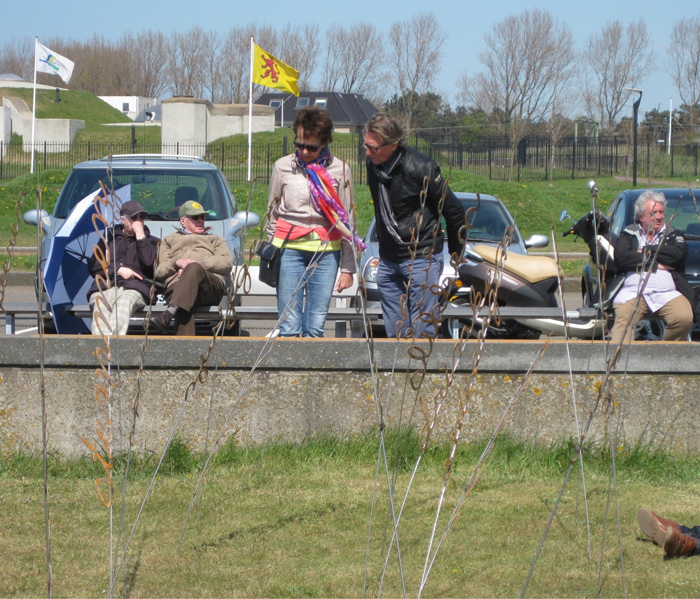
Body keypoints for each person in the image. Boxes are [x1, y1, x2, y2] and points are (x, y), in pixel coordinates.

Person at [364, 112, 466, 338]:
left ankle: (422, 371)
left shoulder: (421, 167)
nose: (368, 153)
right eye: (366, 147)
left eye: (374, 148)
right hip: (389, 257)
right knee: (397, 331)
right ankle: (399, 370)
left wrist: (457, 252)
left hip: (421, 256)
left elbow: (454, 210)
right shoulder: (373, 165)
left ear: (394, 144)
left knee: (422, 329)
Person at [265, 106, 359, 337]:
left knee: (315, 325)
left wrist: (348, 268)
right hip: (289, 248)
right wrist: (270, 251)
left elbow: (348, 219)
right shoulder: (282, 166)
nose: (304, 151)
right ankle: (288, 372)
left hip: (327, 251)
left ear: (326, 143)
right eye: (299, 144)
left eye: (312, 147)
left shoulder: (341, 170)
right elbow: (272, 212)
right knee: (288, 323)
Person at [610, 190, 695, 342]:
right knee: (624, 318)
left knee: (684, 318)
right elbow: (622, 257)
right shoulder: (629, 233)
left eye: (662, 212)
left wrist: (646, 250)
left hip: (667, 292)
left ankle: (664, 355)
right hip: (633, 292)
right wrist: (655, 264)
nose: (660, 216)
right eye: (654, 213)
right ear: (641, 216)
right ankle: (620, 363)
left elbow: (677, 255)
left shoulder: (674, 234)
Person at [148, 200, 233, 335]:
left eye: (203, 217)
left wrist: (195, 264)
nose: (200, 220)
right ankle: (185, 352)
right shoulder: (169, 240)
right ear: (183, 221)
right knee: (185, 298)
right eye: (195, 217)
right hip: (177, 287)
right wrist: (177, 263)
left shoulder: (215, 239)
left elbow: (227, 263)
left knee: (193, 268)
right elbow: (160, 270)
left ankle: (169, 313)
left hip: (208, 287)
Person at [87, 200, 159, 336]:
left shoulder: (151, 242)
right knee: (101, 303)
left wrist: (141, 238)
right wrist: (116, 270)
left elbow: (151, 263)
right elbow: (94, 265)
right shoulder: (108, 239)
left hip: (135, 287)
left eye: (142, 217)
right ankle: (102, 348)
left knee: (123, 303)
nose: (138, 221)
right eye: (133, 217)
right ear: (122, 219)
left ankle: (113, 348)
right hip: (107, 285)